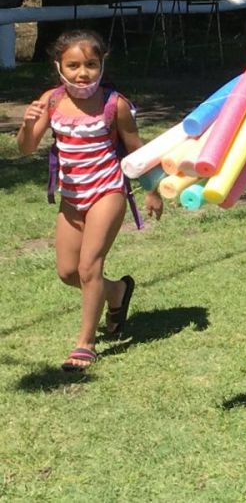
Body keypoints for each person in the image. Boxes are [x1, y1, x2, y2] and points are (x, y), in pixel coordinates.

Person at [15, 29, 163, 372]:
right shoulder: (52, 101)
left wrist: (152, 189)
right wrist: (27, 125)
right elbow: (26, 147)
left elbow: (136, 149)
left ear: (101, 65)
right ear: (59, 67)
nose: (83, 73)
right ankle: (116, 292)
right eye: (74, 65)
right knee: (68, 272)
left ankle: (85, 343)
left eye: (91, 65)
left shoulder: (115, 104)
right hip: (72, 197)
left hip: (107, 192)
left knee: (88, 267)